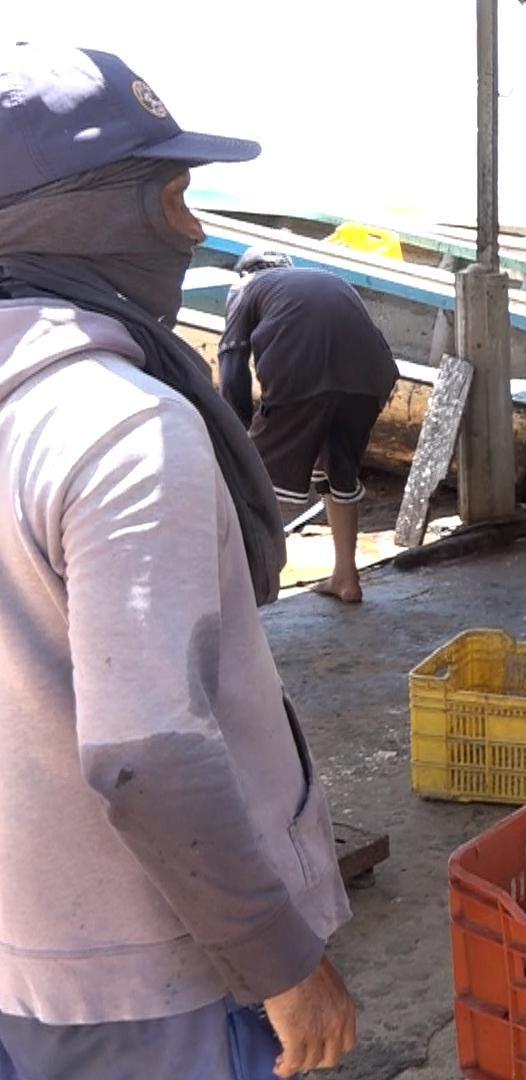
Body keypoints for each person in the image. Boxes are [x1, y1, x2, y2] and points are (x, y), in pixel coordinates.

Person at [0, 44, 358, 1078]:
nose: (194, 233)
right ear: (80, 214)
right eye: (172, 199)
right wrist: (282, 962)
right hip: (148, 974)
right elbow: (148, 749)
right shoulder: (123, 425)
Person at [220, 247, 398, 603]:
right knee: (337, 474)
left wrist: (235, 437)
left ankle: (238, 590)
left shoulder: (247, 288)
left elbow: (232, 364)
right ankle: (346, 578)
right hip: (372, 379)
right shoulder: (327, 279)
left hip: (303, 372)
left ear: (245, 273)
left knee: (249, 479)